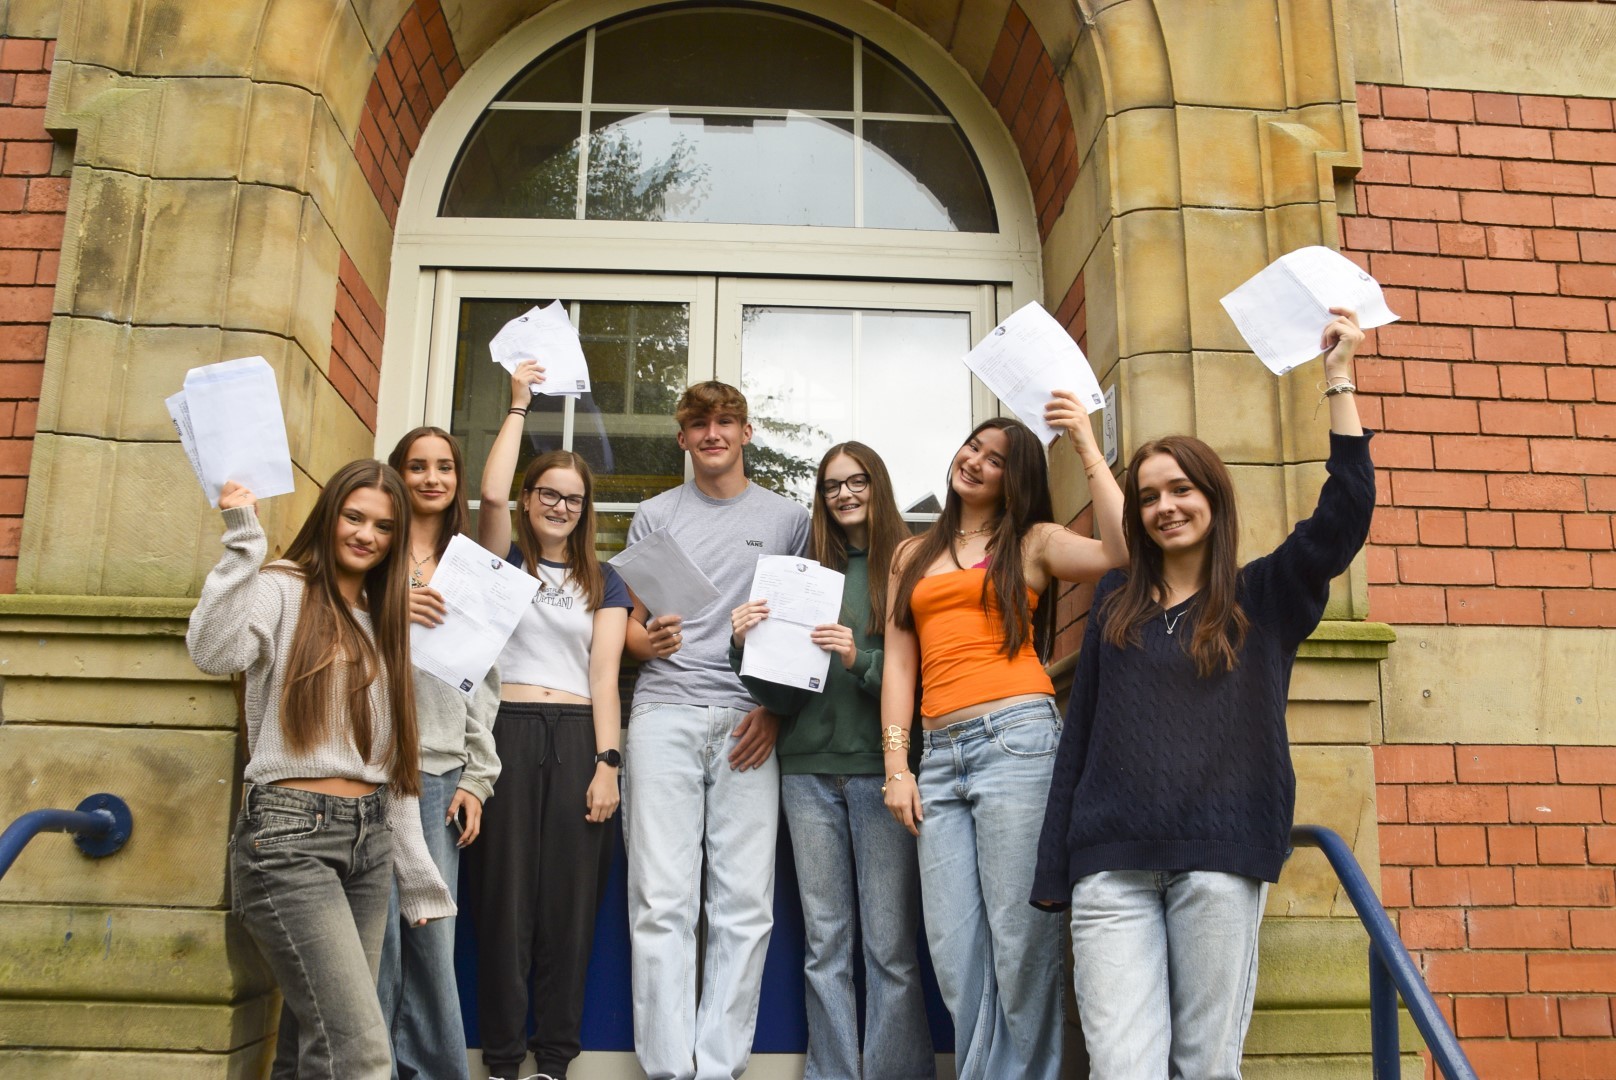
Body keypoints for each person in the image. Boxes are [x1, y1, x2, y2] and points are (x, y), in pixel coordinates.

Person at [1032, 309, 1373, 1079]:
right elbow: (1078, 739)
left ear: (1212, 499)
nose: (1165, 507)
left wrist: (1338, 379)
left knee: (1205, 1065)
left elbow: (1343, 517)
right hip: (1111, 869)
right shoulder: (1117, 605)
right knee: (1123, 1066)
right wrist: (1057, 868)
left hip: (1217, 865)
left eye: (1180, 489)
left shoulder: (1265, 596)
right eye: (1148, 496)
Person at [882, 392, 1125, 1080]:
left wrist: (1081, 440)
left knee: (1022, 945)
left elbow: (1120, 551)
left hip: (1017, 742)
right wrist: (897, 765)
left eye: (996, 459)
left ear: (1013, 478)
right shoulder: (912, 553)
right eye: (973, 447)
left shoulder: (1035, 542)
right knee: (955, 949)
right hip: (939, 755)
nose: (976, 462)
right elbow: (901, 663)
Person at [187, 460, 455, 1080]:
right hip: (288, 839)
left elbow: (393, 765)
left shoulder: (384, 621)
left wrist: (415, 873)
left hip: (367, 842)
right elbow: (211, 649)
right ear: (330, 515)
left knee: (316, 1039)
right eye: (354, 517)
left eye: (384, 527)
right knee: (360, 1053)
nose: (366, 535)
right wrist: (243, 539)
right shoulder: (282, 587)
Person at [621, 380, 810, 1080]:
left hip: (748, 720)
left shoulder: (789, 519)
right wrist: (650, 641)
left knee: (743, 905)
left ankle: (721, 1066)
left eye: (725, 422)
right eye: (698, 424)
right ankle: (670, 1070)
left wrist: (776, 708)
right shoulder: (653, 515)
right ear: (682, 439)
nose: (712, 434)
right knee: (662, 902)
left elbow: (799, 633)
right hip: (664, 713)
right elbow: (631, 631)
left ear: (746, 433)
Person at [728, 442, 935, 1080]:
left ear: (879, 485)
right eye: (831, 486)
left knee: (890, 947)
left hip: (882, 772)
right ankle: (834, 1073)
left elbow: (925, 684)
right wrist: (743, 647)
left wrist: (858, 659)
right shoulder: (804, 573)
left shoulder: (910, 565)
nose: (843, 495)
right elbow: (778, 694)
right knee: (826, 945)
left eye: (856, 482)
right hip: (806, 772)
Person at [466, 360, 631, 1080]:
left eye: (573, 498)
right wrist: (517, 406)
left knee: (569, 911)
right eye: (549, 494)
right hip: (506, 733)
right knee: (504, 907)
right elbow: (489, 491)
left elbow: (605, 678)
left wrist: (608, 764)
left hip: (577, 743)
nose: (560, 506)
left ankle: (556, 1060)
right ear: (531, 500)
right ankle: (503, 1060)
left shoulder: (608, 579)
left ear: (585, 508)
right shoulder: (500, 560)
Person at [374, 427, 501, 1080]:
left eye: (444, 467)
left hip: (436, 772)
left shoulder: (471, 566)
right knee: (373, 942)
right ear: (395, 473)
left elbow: (484, 683)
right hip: (362, 769)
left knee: (428, 938)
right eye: (417, 466)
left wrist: (477, 779)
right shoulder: (369, 550)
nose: (431, 478)